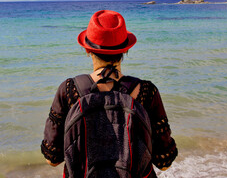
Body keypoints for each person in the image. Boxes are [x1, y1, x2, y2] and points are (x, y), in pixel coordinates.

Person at [41, 10, 178, 177]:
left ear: (87, 50)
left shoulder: (69, 90)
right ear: (125, 51)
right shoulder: (147, 92)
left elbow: (52, 159)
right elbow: (164, 163)